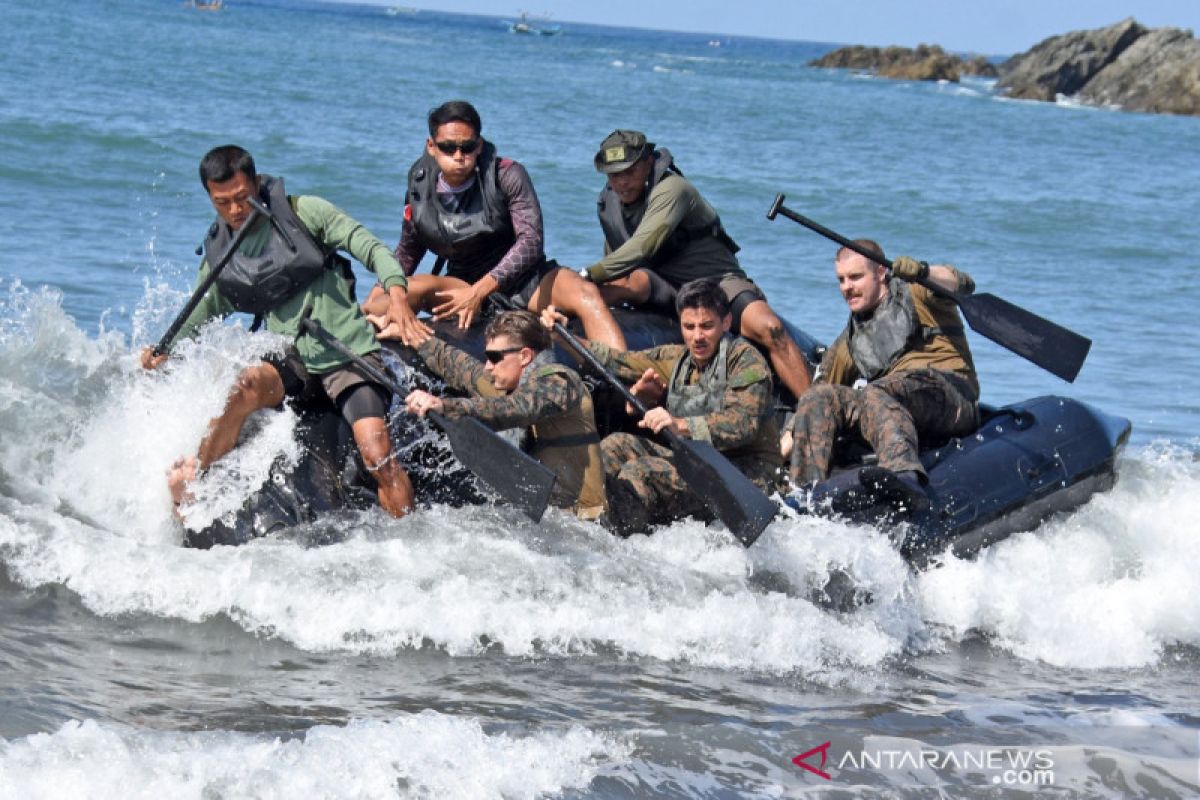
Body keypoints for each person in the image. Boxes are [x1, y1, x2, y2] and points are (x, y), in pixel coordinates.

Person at [142, 144, 424, 518]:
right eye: (222, 202)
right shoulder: (222, 251)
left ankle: (409, 534)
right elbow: (202, 310)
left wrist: (397, 293)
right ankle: (195, 486)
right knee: (245, 386)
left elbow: (370, 247)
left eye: (242, 198)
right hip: (293, 360)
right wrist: (165, 350)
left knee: (376, 455)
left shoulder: (305, 212)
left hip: (346, 354)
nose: (235, 210)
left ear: (257, 183)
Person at [365, 100, 625, 350]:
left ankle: (626, 376)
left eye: (467, 147)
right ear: (431, 146)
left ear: (479, 145)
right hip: (461, 285)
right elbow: (408, 250)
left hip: (526, 282)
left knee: (587, 294)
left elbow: (530, 242)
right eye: (448, 147)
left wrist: (481, 291)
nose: (458, 156)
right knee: (396, 295)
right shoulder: (419, 183)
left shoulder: (507, 174)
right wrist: (378, 297)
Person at [583, 129, 812, 404]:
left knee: (770, 328)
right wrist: (587, 286)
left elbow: (642, 247)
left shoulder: (673, 189)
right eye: (613, 174)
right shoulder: (608, 202)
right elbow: (615, 258)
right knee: (624, 285)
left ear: (647, 162)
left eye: (629, 172)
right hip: (664, 284)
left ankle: (811, 408)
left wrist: (586, 274)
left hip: (716, 283)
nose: (621, 182)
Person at [544, 278, 781, 534]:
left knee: (643, 472)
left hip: (745, 477)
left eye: (707, 326)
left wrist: (680, 425)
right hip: (699, 463)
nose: (697, 336)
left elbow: (741, 424)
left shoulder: (745, 362)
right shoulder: (676, 359)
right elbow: (616, 361)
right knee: (614, 446)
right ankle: (568, 511)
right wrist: (564, 337)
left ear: (725, 323)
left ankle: (613, 535)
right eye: (689, 327)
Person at [788, 241, 980, 495]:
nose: (847, 287)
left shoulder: (916, 292)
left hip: (950, 395)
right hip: (889, 400)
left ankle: (904, 477)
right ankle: (804, 494)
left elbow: (963, 283)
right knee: (817, 397)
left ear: (880, 272)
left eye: (855, 277)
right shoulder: (848, 343)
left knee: (875, 391)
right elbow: (815, 398)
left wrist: (923, 272)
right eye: (841, 279)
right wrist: (777, 454)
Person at [402, 310, 607, 520]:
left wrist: (446, 406)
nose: (488, 366)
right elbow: (463, 369)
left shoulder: (559, 382)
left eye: (494, 357)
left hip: (582, 521)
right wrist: (411, 335)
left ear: (525, 356)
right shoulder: (510, 383)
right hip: (541, 516)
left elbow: (521, 408)